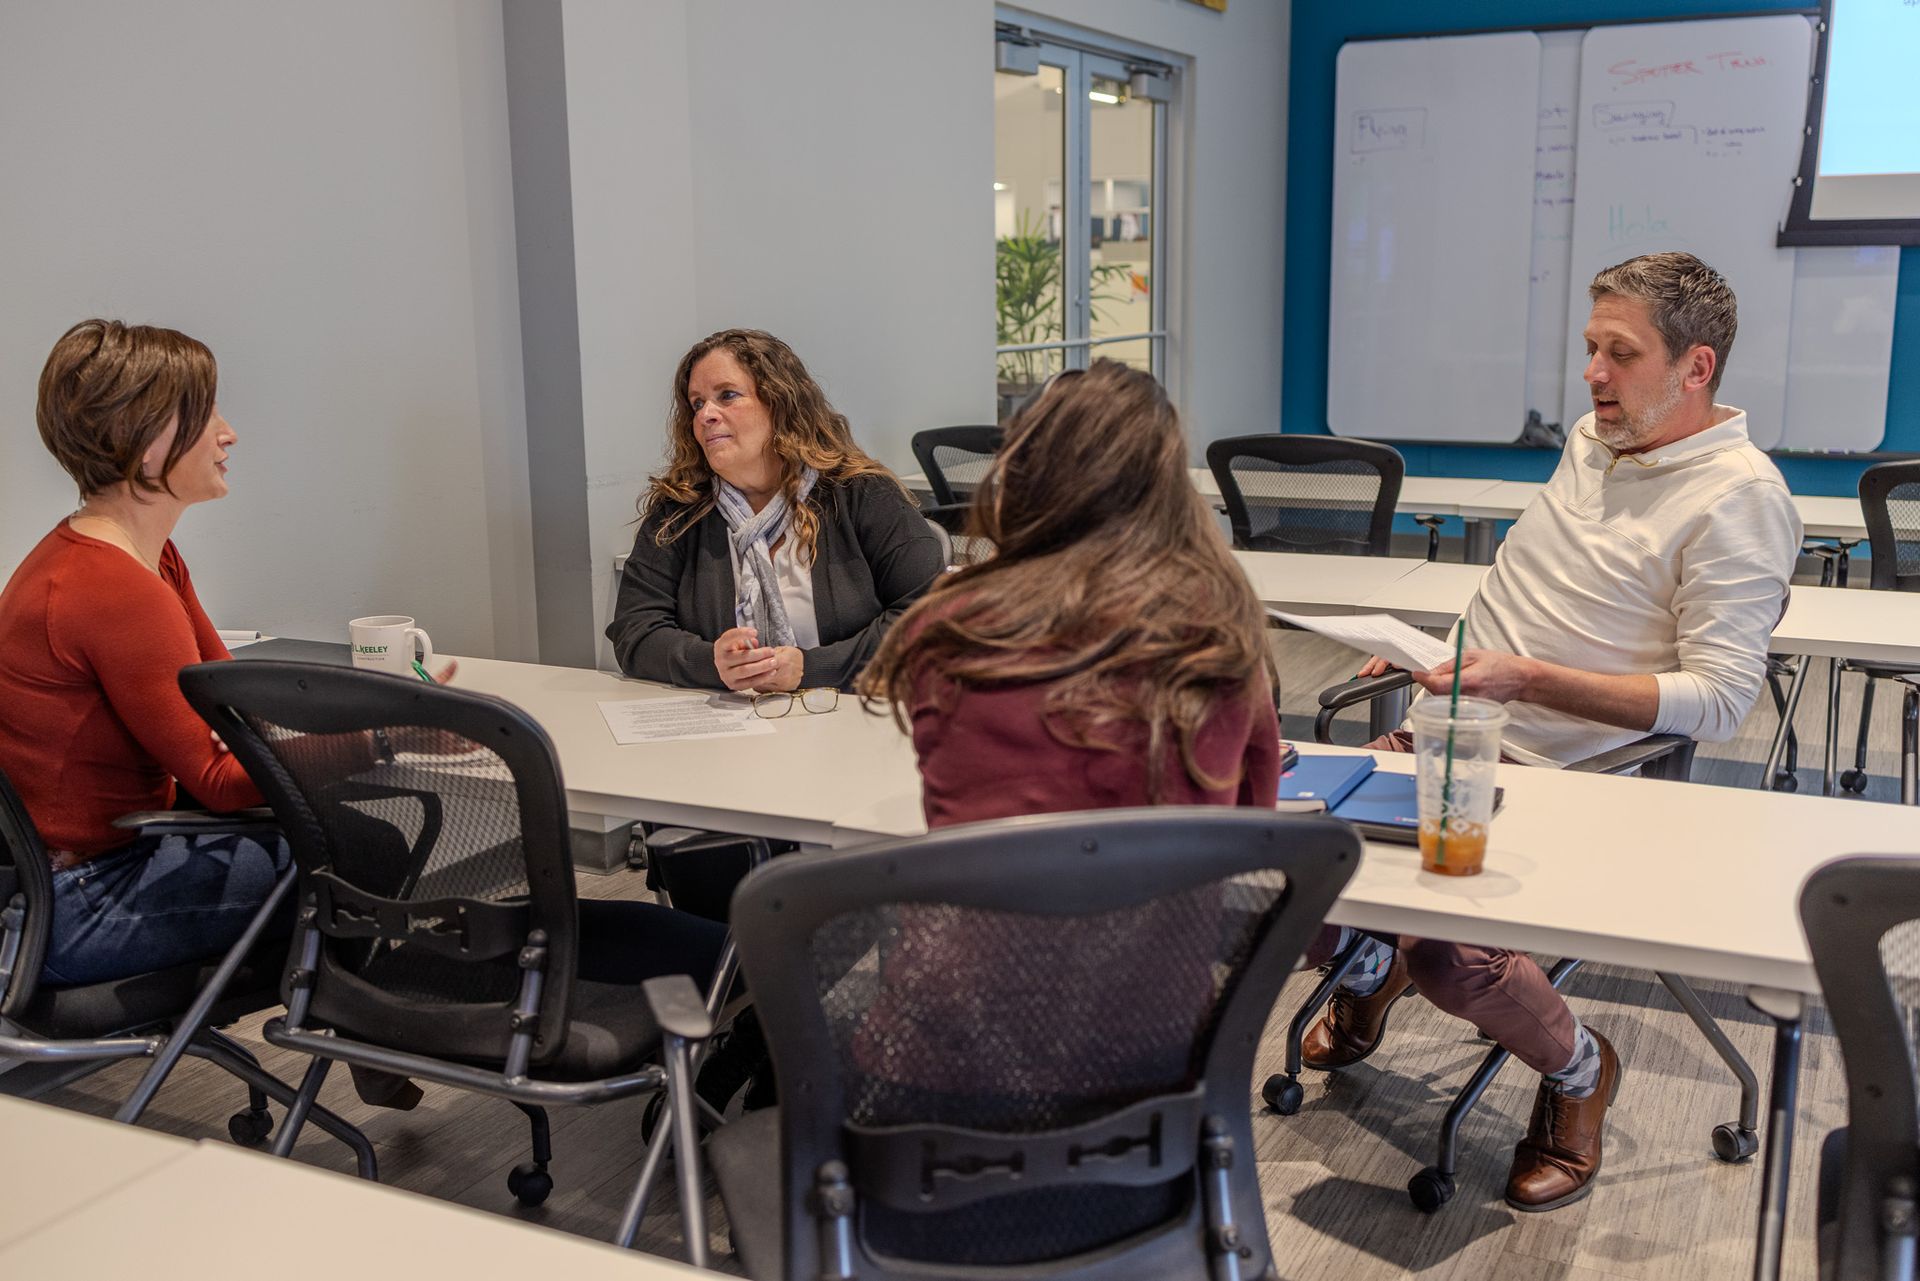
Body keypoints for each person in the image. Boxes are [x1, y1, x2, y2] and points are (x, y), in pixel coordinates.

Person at [1304, 252, 1804, 1212]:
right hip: (1455, 729)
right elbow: (1525, 586)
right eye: (1590, 349)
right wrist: (1437, 648)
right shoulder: (1595, 438)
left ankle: (1579, 1071)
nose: (1593, 375)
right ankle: (1374, 958)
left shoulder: (1741, 497)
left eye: (1621, 353)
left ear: (1696, 368)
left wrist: (1527, 679)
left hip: (1566, 773)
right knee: (1297, 852)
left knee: (1457, 960)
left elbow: (1721, 697)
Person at [0, 319, 300, 990]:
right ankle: (349, 1025)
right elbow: (219, 780)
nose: (229, 433)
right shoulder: (113, 589)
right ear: (141, 442)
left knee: (335, 840)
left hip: (73, 877)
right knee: (361, 850)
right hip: (83, 905)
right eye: (205, 416)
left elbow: (231, 708)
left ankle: (333, 1016)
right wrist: (380, 743)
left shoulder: (144, 557)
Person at [607, 328, 945, 694]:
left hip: (853, 717)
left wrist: (811, 669)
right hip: (725, 730)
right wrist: (711, 663)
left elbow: (929, 618)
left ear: (780, 403)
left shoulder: (862, 494)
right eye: (697, 403)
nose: (707, 415)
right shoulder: (679, 510)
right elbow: (634, 630)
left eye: (727, 396)